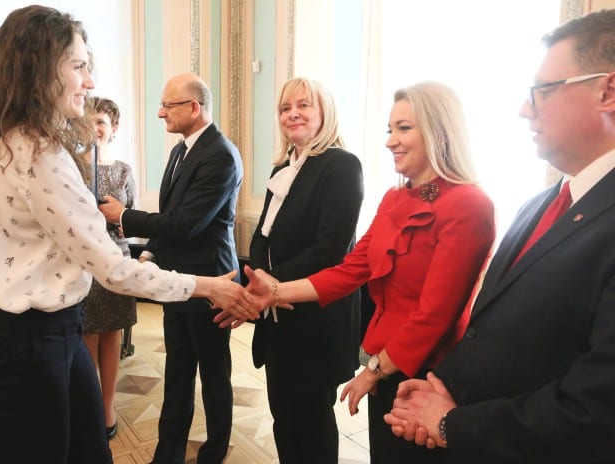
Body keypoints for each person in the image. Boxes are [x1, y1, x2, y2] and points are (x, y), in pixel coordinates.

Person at [0, 6, 256, 464]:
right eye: (79, 66)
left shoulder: (20, 143)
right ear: (40, 68)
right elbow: (115, 268)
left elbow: (179, 224)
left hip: (49, 333)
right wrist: (206, 286)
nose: (90, 81)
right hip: (27, 345)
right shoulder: (36, 153)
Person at [384, 9, 615, 464]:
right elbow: (494, 331)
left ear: (606, 92)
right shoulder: (540, 203)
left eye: (542, 91)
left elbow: (597, 406)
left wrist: (452, 423)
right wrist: (442, 389)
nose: (525, 109)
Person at [228, 81, 495, 463]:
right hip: (384, 360)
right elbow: (351, 269)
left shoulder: (469, 204)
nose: (390, 141)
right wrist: (272, 292)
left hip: (426, 372)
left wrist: (372, 371)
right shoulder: (395, 198)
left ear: (439, 130)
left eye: (404, 128)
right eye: (389, 129)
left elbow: (435, 314)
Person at [98, 72, 243, 464]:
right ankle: (168, 455)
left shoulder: (220, 155)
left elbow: (186, 224)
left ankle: (213, 453)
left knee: (214, 377)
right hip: (178, 282)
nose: (160, 113)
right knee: (177, 373)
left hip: (212, 282)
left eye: (168, 105)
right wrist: (149, 256)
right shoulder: (181, 151)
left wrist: (124, 215)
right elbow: (171, 217)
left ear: (194, 108)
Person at [247, 77, 363, 463]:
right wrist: (260, 276)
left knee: (312, 425)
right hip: (276, 316)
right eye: (285, 108)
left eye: (303, 105)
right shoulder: (283, 166)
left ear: (324, 112)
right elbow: (261, 235)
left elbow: (330, 249)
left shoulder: (341, 165)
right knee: (284, 417)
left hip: (316, 317)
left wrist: (271, 281)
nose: (292, 114)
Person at [81, 96, 136, 441]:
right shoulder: (71, 166)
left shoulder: (124, 170)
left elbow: (131, 219)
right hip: (83, 261)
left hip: (116, 259)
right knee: (86, 334)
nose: (95, 128)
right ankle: (88, 407)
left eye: (101, 122)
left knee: (113, 334)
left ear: (113, 128)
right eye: (89, 121)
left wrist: (118, 217)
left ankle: (107, 406)